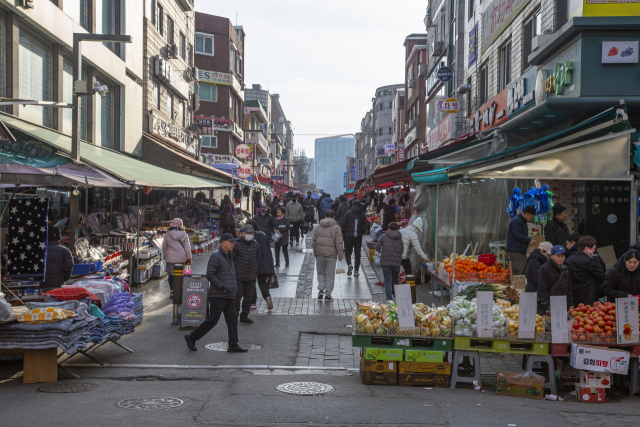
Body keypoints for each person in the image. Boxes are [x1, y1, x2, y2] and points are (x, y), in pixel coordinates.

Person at [184, 234, 247, 353]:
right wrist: (223, 286)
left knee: (233, 320)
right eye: (230, 241)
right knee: (212, 321)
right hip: (218, 295)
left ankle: (233, 344)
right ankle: (192, 337)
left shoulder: (229, 256)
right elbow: (210, 275)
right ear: (223, 243)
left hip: (229, 295)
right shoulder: (216, 256)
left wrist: (233, 288)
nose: (233, 244)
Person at [231, 224, 259, 324]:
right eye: (248, 233)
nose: (250, 235)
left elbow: (257, 258)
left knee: (248, 297)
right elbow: (231, 259)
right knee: (237, 296)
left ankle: (245, 315)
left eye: (252, 233)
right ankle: (235, 315)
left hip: (251, 276)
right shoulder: (236, 244)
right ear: (243, 234)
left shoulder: (255, 244)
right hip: (239, 275)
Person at [565, 236, 606, 306]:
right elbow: (602, 276)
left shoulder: (569, 260)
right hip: (588, 295)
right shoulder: (589, 262)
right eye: (593, 248)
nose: (594, 249)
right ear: (586, 249)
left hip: (574, 294)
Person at [313, 210, 344, 301]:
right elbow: (339, 243)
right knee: (330, 275)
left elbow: (314, 241)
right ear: (334, 217)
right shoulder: (336, 228)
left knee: (321, 272)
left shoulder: (318, 227)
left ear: (325, 216)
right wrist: (340, 255)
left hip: (320, 253)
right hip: (331, 254)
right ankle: (328, 295)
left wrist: (315, 252)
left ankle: (321, 289)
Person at [536, 245, 574, 315]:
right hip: (551, 306)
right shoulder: (544, 269)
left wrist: (571, 304)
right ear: (551, 256)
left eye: (563, 256)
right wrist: (547, 307)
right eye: (558, 256)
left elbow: (569, 287)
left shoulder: (565, 268)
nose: (561, 258)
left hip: (564, 305)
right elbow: (542, 290)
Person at [246, 220, 274, 311]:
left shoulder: (249, 238)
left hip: (253, 263)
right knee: (263, 283)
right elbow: (268, 250)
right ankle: (268, 298)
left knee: (252, 283)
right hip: (264, 263)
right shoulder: (263, 236)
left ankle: (253, 303)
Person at [162, 218, 193, 298]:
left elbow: (164, 247)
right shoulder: (184, 235)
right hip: (181, 258)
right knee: (179, 275)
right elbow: (187, 248)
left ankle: (172, 290)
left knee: (171, 275)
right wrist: (189, 258)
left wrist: (167, 255)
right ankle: (178, 290)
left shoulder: (167, 234)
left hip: (170, 258)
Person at [376, 222, 404, 302]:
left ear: (389, 228)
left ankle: (389, 299)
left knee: (388, 280)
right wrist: (398, 257)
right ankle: (395, 296)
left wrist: (378, 254)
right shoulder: (399, 238)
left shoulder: (383, 236)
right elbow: (402, 250)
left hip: (385, 262)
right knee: (395, 280)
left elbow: (377, 247)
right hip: (396, 263)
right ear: (397, 228)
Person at [340, 200, 367, 276]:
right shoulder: (362, 215)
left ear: (352, 205)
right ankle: (356, 270)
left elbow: (343, 224)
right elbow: (365, 226)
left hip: (348, 235)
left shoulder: (348, 213)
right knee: (357, 253)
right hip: (358, 236)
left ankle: (349, 264)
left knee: (348, 252)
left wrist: (345, 233)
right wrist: (361, 232)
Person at [506, 205, 536, 276]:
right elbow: (517, 235)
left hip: (520, 251)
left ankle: (520, 287)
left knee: (522, 273)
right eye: (532, 217)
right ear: (527, 214)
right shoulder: (516, 221)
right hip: (515, 252)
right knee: (517, 274)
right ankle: (516, 287)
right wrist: (529, 240)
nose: (532, 219)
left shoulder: (521, 221)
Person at [41, 227, 73, 292]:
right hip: (58, 284)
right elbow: (68, 267)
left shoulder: (40, 250)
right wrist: (63, 279)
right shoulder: (65, 251)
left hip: (42, 285)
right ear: (59, 238)